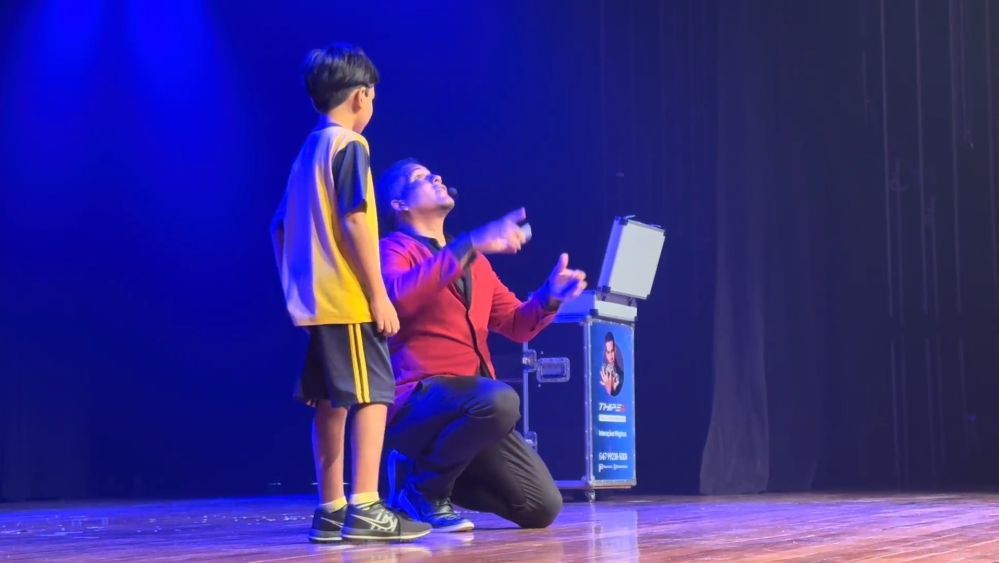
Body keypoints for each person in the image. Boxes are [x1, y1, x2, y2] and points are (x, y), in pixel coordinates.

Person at [270, 45, 431, 544]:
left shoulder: (307, 150)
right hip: (347, 296)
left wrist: (297, 282)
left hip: (316, 301)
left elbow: (277, 227)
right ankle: (364, 506)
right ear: (362, 96)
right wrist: (378, 294)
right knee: (373, 395)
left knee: (329, 402)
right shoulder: (350, 146)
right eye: (374, 96)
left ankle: (331, 508)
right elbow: (357, 218)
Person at [375, 158, 587, 532]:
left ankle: (419, 475)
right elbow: (399, 298)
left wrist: (550, 297)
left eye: (435, 172)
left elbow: (517, 325)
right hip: (419, 399)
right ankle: (423, 491)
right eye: (420, 178)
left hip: (476, 408)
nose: (437, 176)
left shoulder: (475, 265)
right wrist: (469, 243)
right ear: (399, 205)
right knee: (501, 399)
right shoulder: (392, 249)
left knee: (541, 507)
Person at [600, 332, 624, 397]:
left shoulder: (620, 374)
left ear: (615, 350)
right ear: (605, 353)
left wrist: (610, 387)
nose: (611, 356)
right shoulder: (603, 373)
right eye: (608, 352)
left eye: (612, 351)